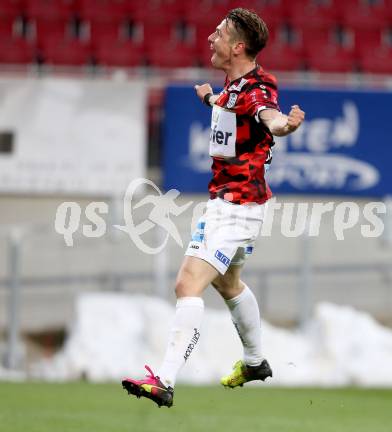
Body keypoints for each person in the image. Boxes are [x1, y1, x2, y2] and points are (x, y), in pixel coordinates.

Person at [122, 7, 305, 408]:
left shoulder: (257, 90)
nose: (210, 38)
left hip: (235, 208)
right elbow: (233, 105)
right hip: (238, 204)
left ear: (238, 47)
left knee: (187, 285)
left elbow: (266, 114)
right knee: (228, 283)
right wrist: (210, 98)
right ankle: (255, 361)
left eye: (219, 33)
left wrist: (283, 126)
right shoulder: (234, 87)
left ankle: (164, 380)